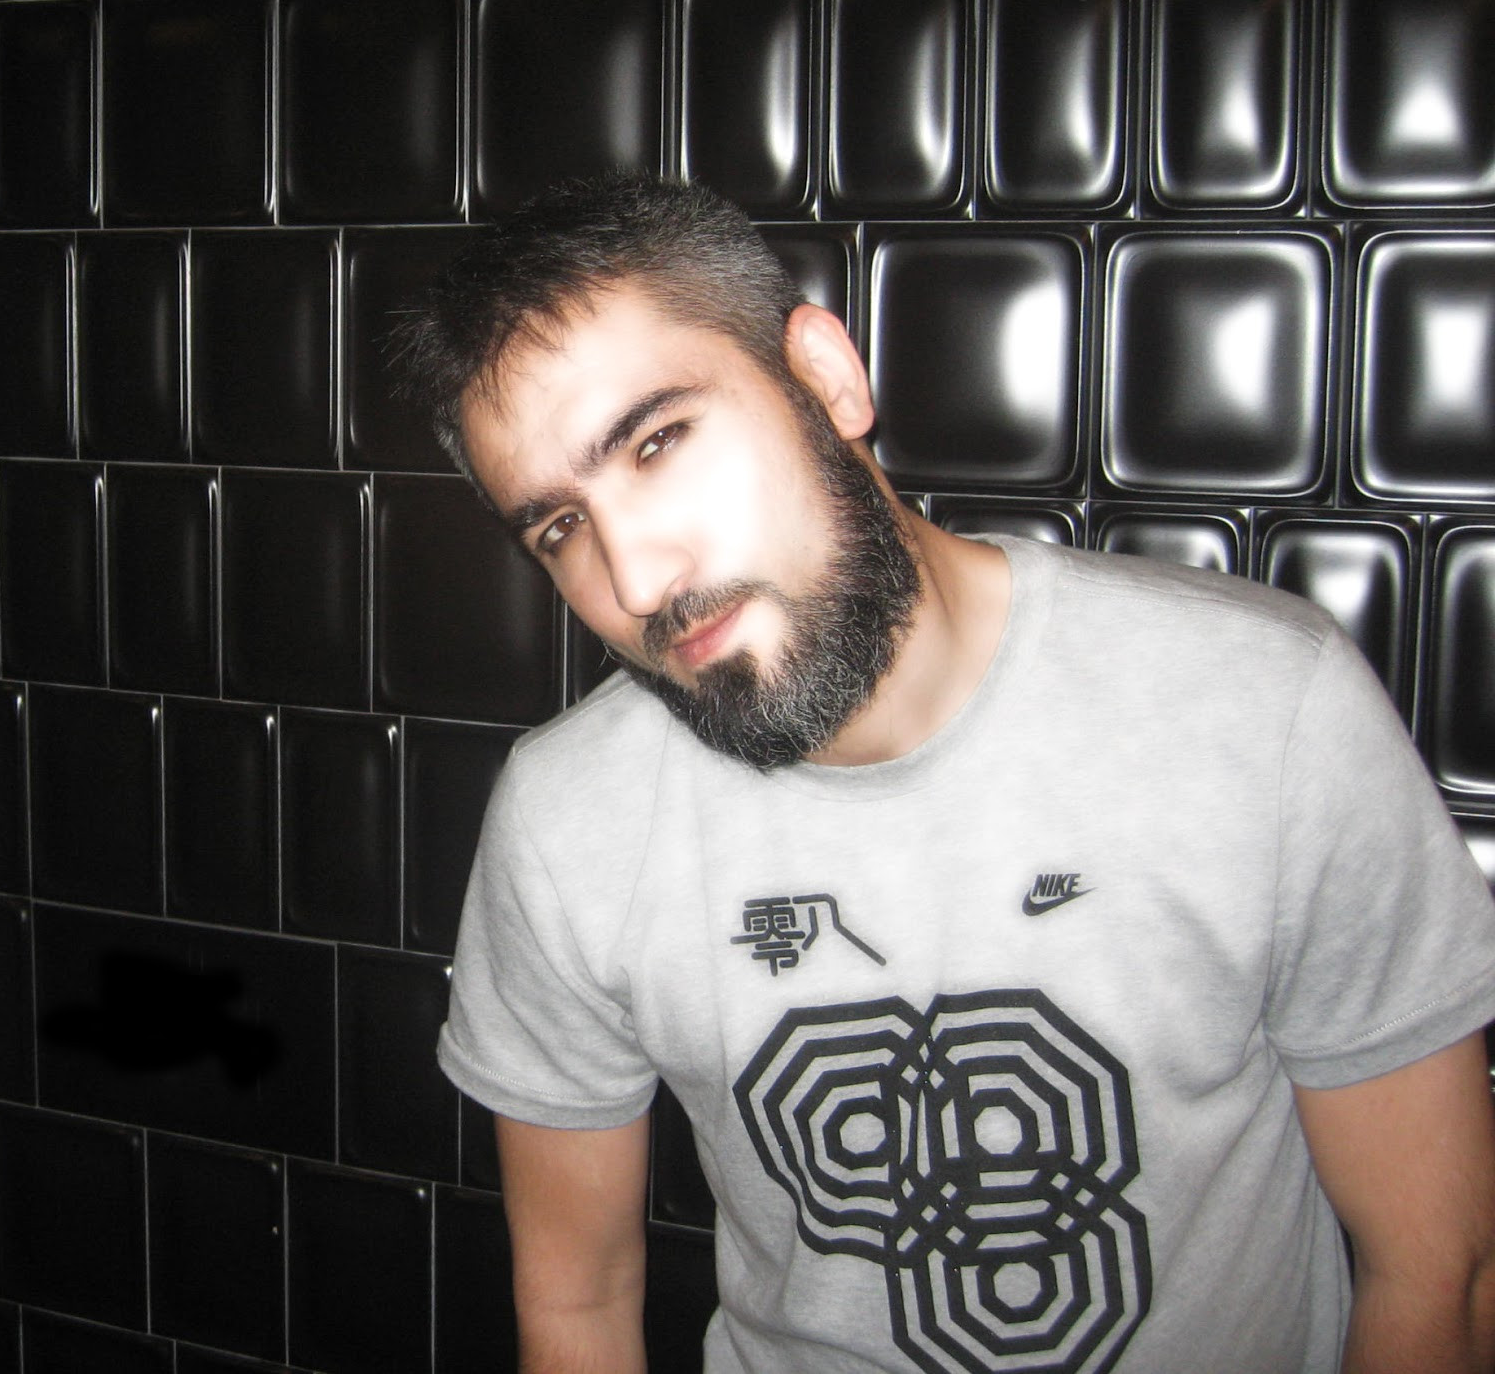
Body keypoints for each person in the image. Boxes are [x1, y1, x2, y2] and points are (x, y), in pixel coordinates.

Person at [391, 172, 1495, 1374]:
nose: (637, 578)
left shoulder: (1263, 704)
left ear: (825, 375)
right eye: (559, 526)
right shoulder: (568, 821)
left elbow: (1441, 1268)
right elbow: (578, 1303)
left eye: (658, 441)